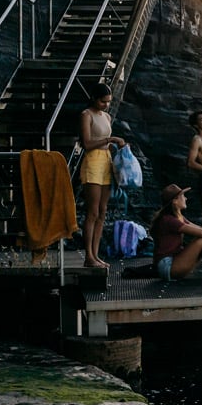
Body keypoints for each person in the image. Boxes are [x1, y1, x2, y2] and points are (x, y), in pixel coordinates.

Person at [79, 83, 125, 268]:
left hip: (106, 160)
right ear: (94, 98)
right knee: (93, 211)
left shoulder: (105, 116)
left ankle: (96, 255)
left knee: (103, 210)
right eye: (102, 101)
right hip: (93, 161)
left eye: (108, 102)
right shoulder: (86, 115)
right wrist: (110, 139)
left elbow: (103, 142)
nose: (106, 105)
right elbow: (87, 143)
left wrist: (114, 146)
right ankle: (88, 256)